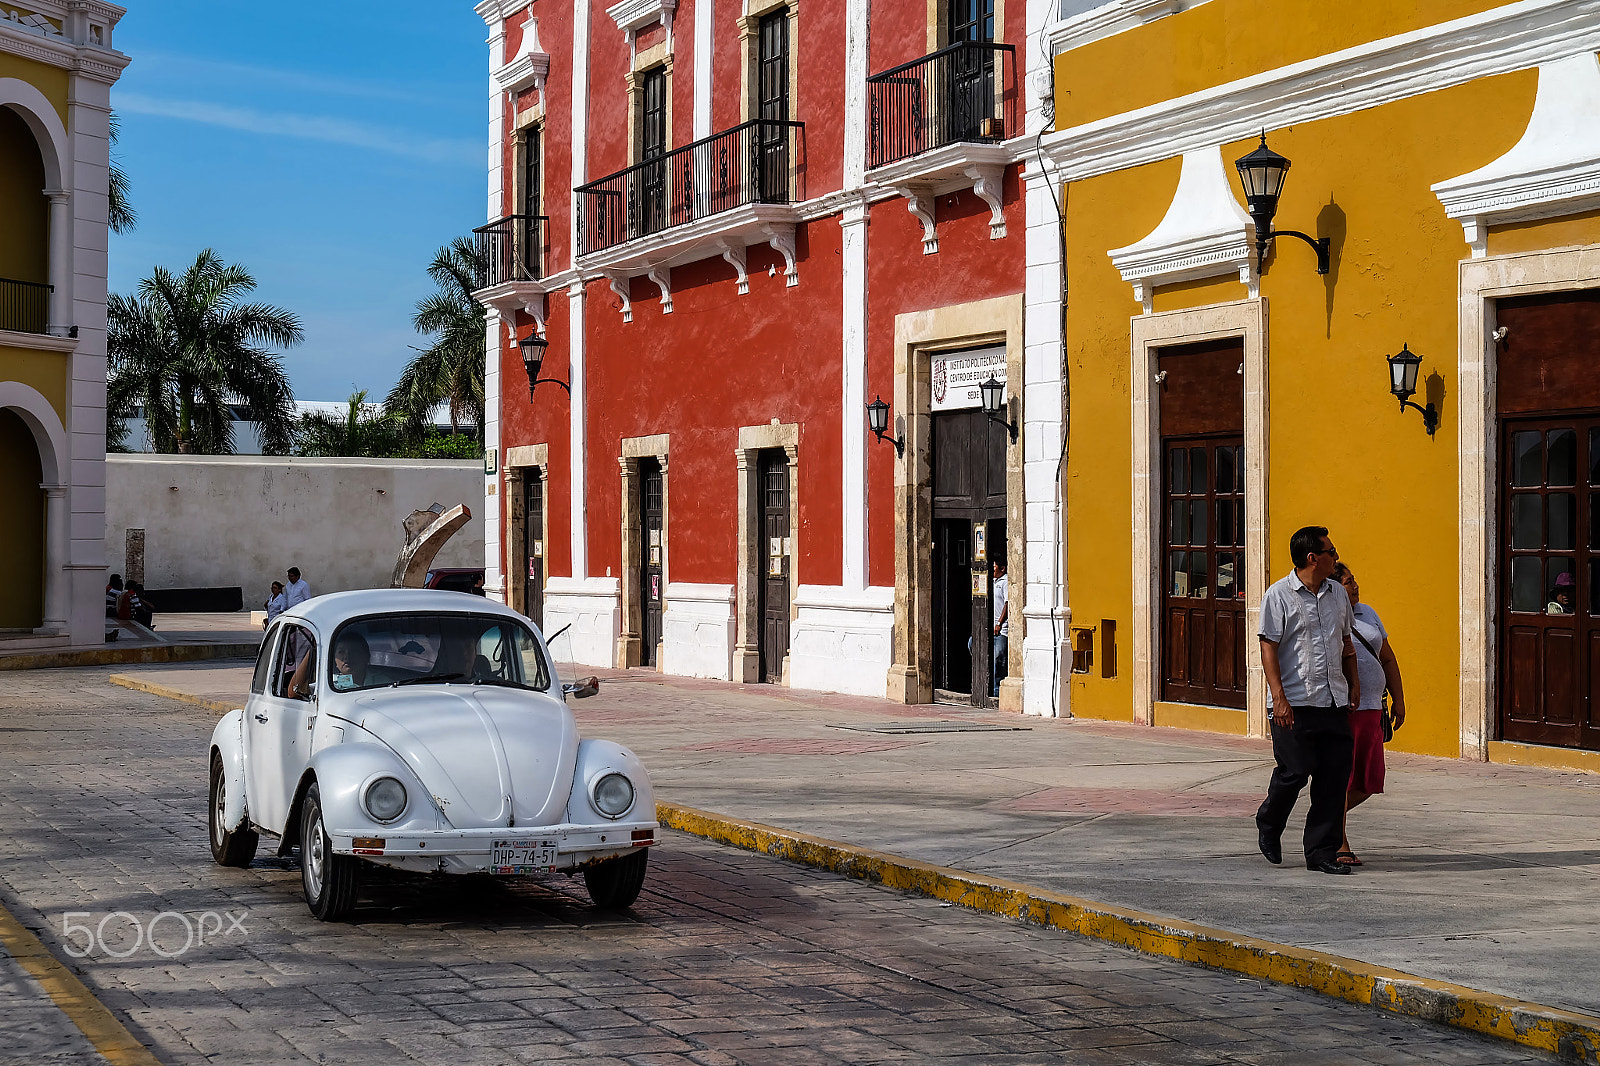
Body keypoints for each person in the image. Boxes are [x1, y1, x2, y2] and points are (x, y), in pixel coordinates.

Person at [1255, 525, 1361, 875]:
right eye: (1332, 551)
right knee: (1295, 772)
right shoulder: (1279, 595)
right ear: (1312, 557)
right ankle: (1269, 822)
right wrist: (1278, 698)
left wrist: (1354, 684)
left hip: (1332, 700)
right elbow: (1268, 646)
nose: (1336, 557)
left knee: (1333, 779)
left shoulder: (1337, 594)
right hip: (1295, 703)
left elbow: (1346, 642)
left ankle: (1321, 853)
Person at [1333, 562, 1408, 867]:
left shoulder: (1368, 613)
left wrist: (1399, 700)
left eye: (1355, 580)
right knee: (1343, 779)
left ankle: (1325, 818)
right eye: (1349, 582)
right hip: (1345, 710)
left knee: (1369, 780)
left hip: (1373, 709)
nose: (1356, 586)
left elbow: (1387, 658)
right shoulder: (1329, 616)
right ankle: (1338, 840)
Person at [991, 559, 1009, 697]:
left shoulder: (1005, 582)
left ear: (1002, 568)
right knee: (971, 643)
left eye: (995, 566)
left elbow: (1007, 603)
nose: (993, 569)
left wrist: (999, 623)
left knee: (999, 657)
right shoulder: (991, 581)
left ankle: (997, 690)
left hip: (1001, 629)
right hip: (989, 628)